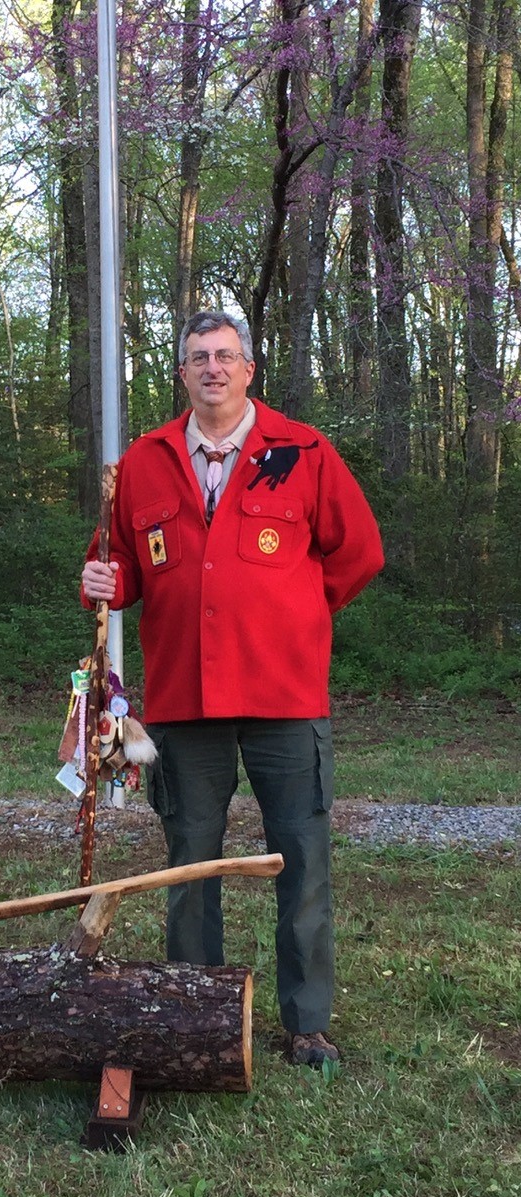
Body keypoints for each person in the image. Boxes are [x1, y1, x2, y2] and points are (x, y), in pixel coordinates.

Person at [81, 310, 384, 1067]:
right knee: (187, 860)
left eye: (224, 356)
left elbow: (358, 553)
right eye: (196, 358)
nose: (211, 368)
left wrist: (298, 616)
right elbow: (116, 573)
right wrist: (97, 582)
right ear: (181, 374)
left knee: (301, 858)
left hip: (285, 696)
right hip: (185, 701)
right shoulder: (142, 463)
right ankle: (195, 1007)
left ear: (248, 370)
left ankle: (305, 1021)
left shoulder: (303, 451)